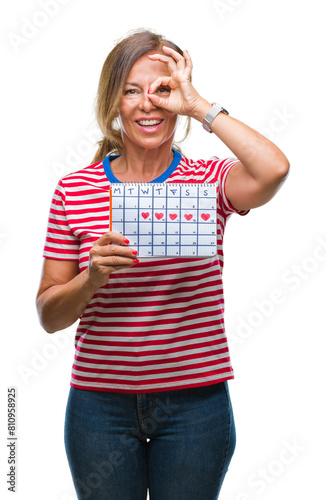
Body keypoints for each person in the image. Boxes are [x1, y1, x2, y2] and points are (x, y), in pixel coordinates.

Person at [36, 29, 289, 500]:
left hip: (196, 406)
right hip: (99, 407)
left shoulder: (209, 181)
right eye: (132, 90)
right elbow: (49, 315)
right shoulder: (75, 190)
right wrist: (91, 278)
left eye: (163, 90)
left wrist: (200, 106)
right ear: (113, 102)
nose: (148, 104)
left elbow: (273, 169)